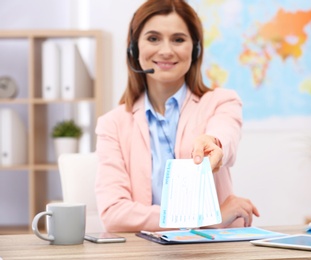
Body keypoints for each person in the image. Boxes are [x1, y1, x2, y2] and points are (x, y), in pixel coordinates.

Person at [95, 0, 259, 232]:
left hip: (211, 251)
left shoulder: (221, 102)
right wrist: (205, 219)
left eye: (178, 39)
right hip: (143, 253)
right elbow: (113, 214)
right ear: (134, 48)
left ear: (195, 49)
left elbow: (224, 135)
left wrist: (212, 143)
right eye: (153, 38)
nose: (166, 51)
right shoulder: (112, 124)